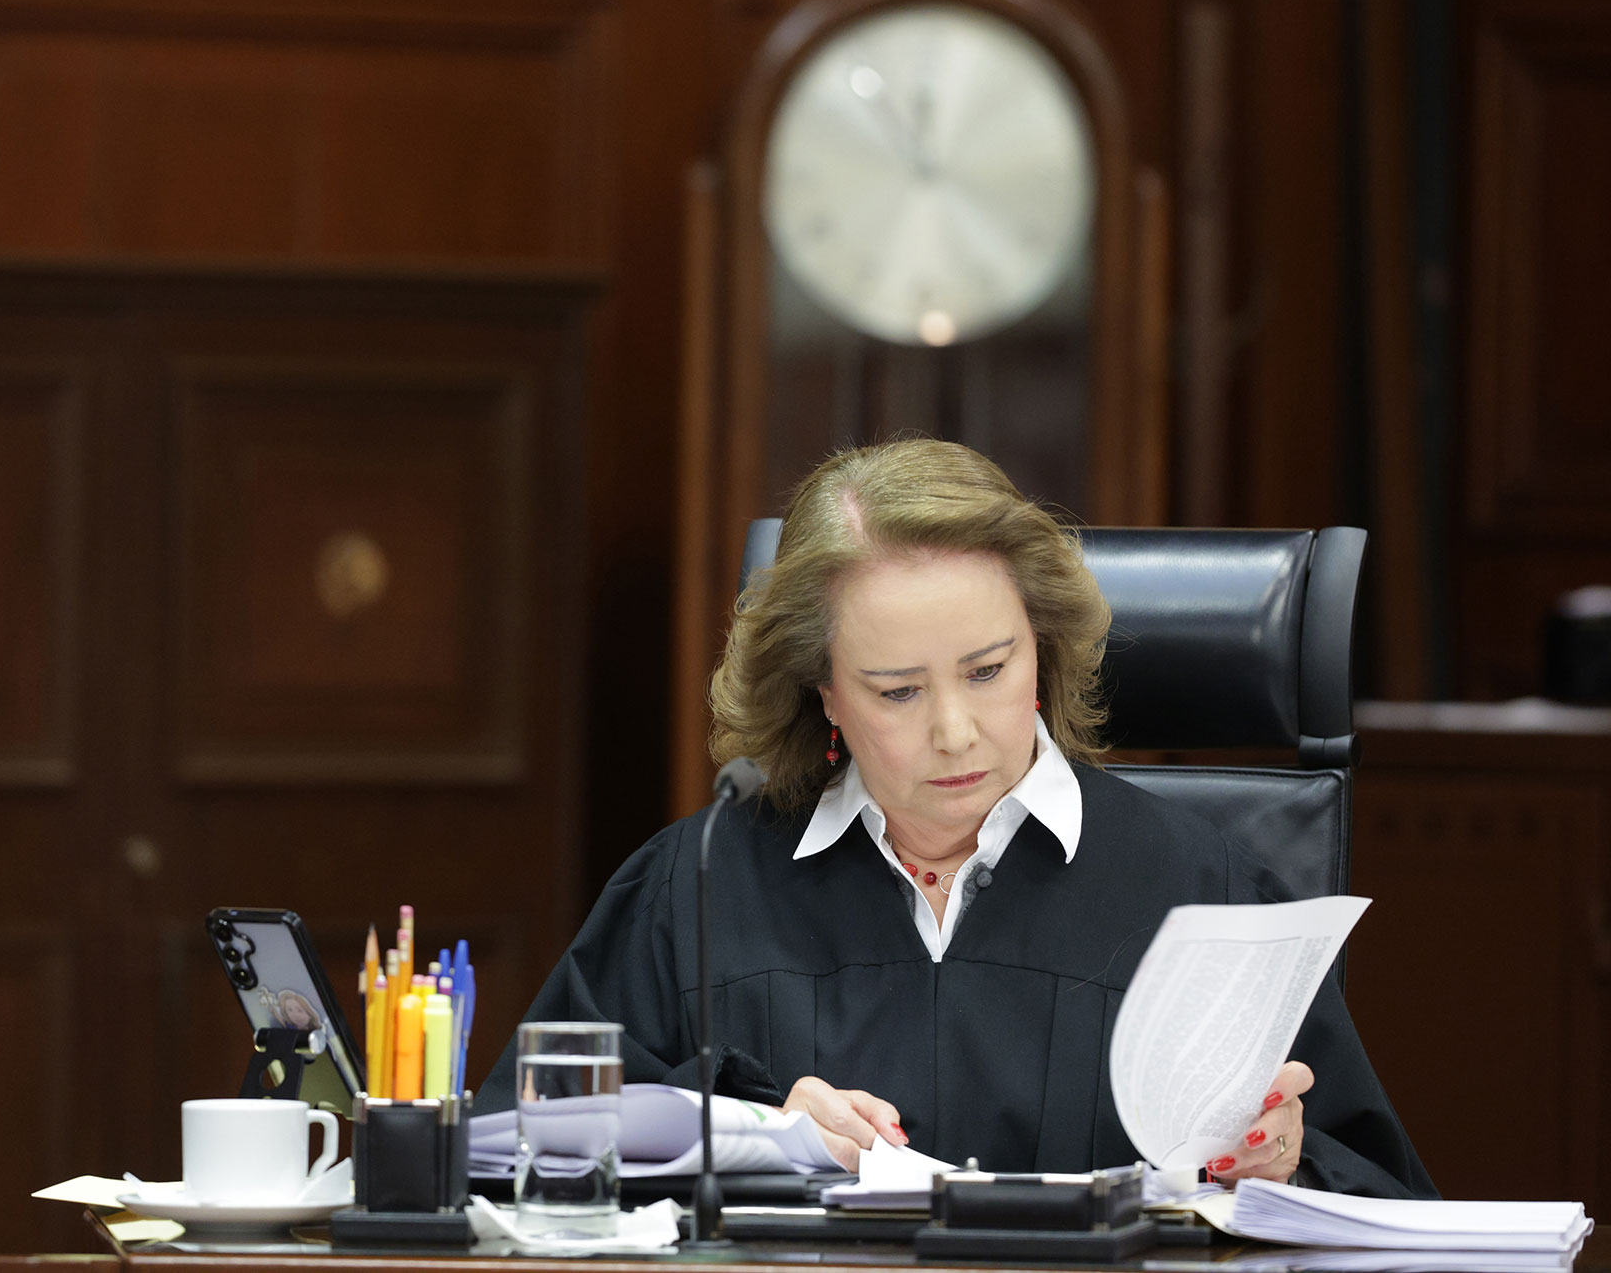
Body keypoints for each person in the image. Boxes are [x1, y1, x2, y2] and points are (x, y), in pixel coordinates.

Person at [476, 439, 1434, 1198]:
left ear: (1042, 647)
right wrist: (749, 1129)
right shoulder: (700, 883)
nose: (955, 731)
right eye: (897, 690)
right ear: (823, 692)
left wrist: (1284, 1162)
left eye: (988, 670)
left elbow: (1382, 1195)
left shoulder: (1202, 887)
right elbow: (514, 1151)